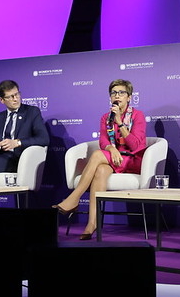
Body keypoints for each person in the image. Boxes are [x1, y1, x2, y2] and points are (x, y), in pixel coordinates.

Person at [53, 79, 147, 240]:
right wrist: (112, 149)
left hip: (132, 160)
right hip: (113, 158)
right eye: (113, 93)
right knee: (100, 170)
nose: (117, 96)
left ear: (129, 97)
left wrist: (120, 122)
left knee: (97, 155)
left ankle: (74, 198)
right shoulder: (106, 117)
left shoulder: (138, 116)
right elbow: (103, 141)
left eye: (121, 93)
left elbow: (135, 145)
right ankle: (92, 224)